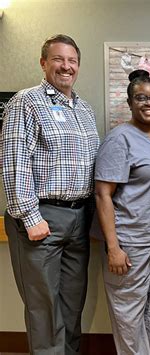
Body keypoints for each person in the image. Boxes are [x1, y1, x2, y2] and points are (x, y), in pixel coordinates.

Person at [2, 34, 100, 354]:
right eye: (58, 59)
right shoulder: (26, 101)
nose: (66, 66)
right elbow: (14, 162)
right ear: (43, 63)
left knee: (72, 305)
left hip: (79, 218)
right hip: (42, 218)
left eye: (72, 61)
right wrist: (31, 217)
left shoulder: (83, 108)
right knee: (44, 307)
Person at [94, 69, 150, 354]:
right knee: (128, 312)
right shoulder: (120, 139)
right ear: (130, 103)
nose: (149, 103)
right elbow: (103, 194)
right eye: (141, 98)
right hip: (131, 240)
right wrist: (113, 247)